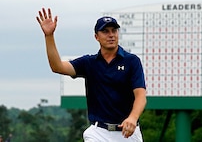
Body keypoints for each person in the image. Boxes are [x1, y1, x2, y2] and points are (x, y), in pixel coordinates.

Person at [36, 8, 147, 142]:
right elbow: (57, 66)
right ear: (96, 37)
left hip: (128, 133)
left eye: (114, 30)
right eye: (105, 31)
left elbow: (141, 96)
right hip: (98, 133)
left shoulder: (132, 61)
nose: (111, 35)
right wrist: (49, 36)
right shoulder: (89, 62)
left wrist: (133, 118)